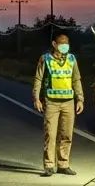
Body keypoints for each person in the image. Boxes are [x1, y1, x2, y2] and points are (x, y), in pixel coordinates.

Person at [32, 30, 83, 177]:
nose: (65, 46)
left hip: (68, 102)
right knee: (51, 134)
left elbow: (76, 80)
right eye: (62, 43)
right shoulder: (45, 59)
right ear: (54, 44)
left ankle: (63, 164)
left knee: (66, 134)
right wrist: (36, 98)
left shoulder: (72, 59)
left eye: (67, 43)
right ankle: (49, 165)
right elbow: (38, 79)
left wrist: (80, 99)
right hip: (51, 102)